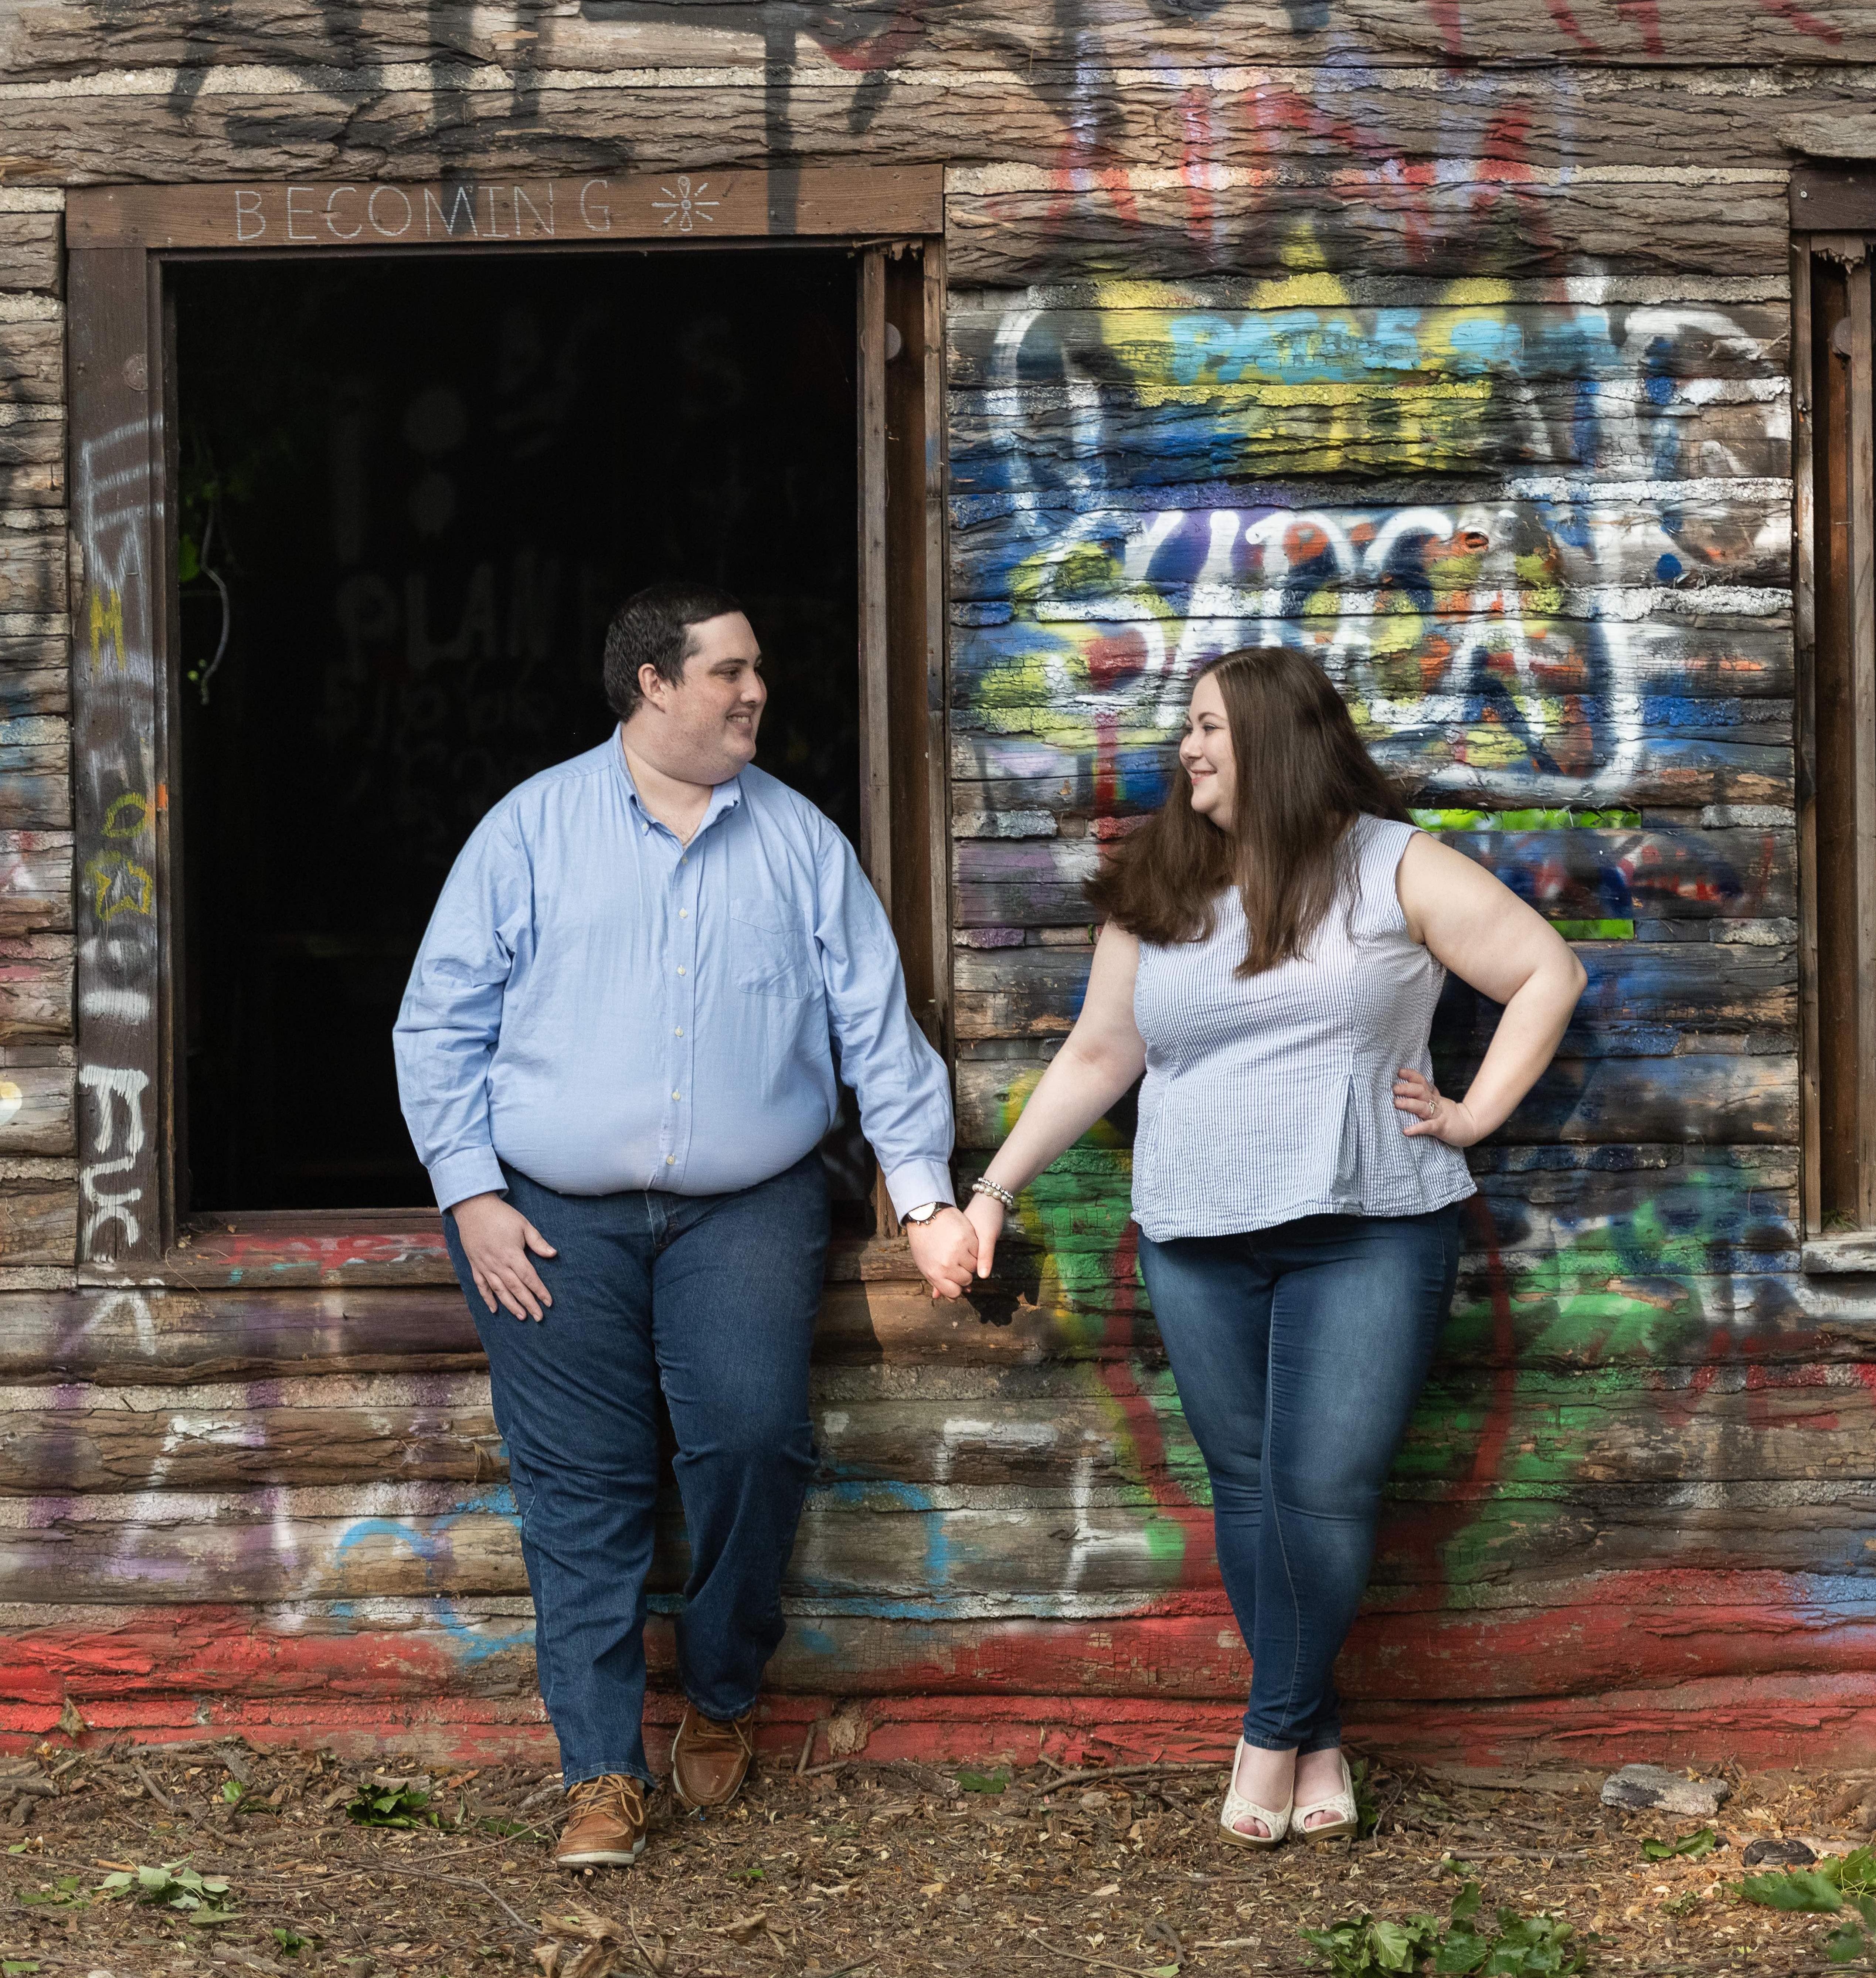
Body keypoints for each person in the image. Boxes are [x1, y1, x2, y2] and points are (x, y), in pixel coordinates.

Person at [959, 646, 1585, 1849]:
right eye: (1183, 728)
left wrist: (1474, 1114)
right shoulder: (1163, 880)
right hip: (1196, 1234)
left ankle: (1268, 1733)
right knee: (1249, 1492)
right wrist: (994, 1188)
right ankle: (1319, 1735)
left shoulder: (1388, 865)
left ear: (1278, 738)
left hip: (1371, 1228)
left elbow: (1545, 972)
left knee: (1326, 1489)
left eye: (1209, 728)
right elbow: (1101, 1054)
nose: (1187, 748)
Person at [394, 582, 979, 1870]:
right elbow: (438, 1026)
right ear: (653, 685)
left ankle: (720, 1693)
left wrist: (926, 1197)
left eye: (756, 669)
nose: (755, 690)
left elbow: (878, 1033)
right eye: (730, 671)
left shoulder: (800, 842)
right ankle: (599, 1774)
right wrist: (472, 1195)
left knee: (756, 1443)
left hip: (746, 1205)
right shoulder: (529, 831)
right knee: (581, 1492)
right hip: (547, 1219)